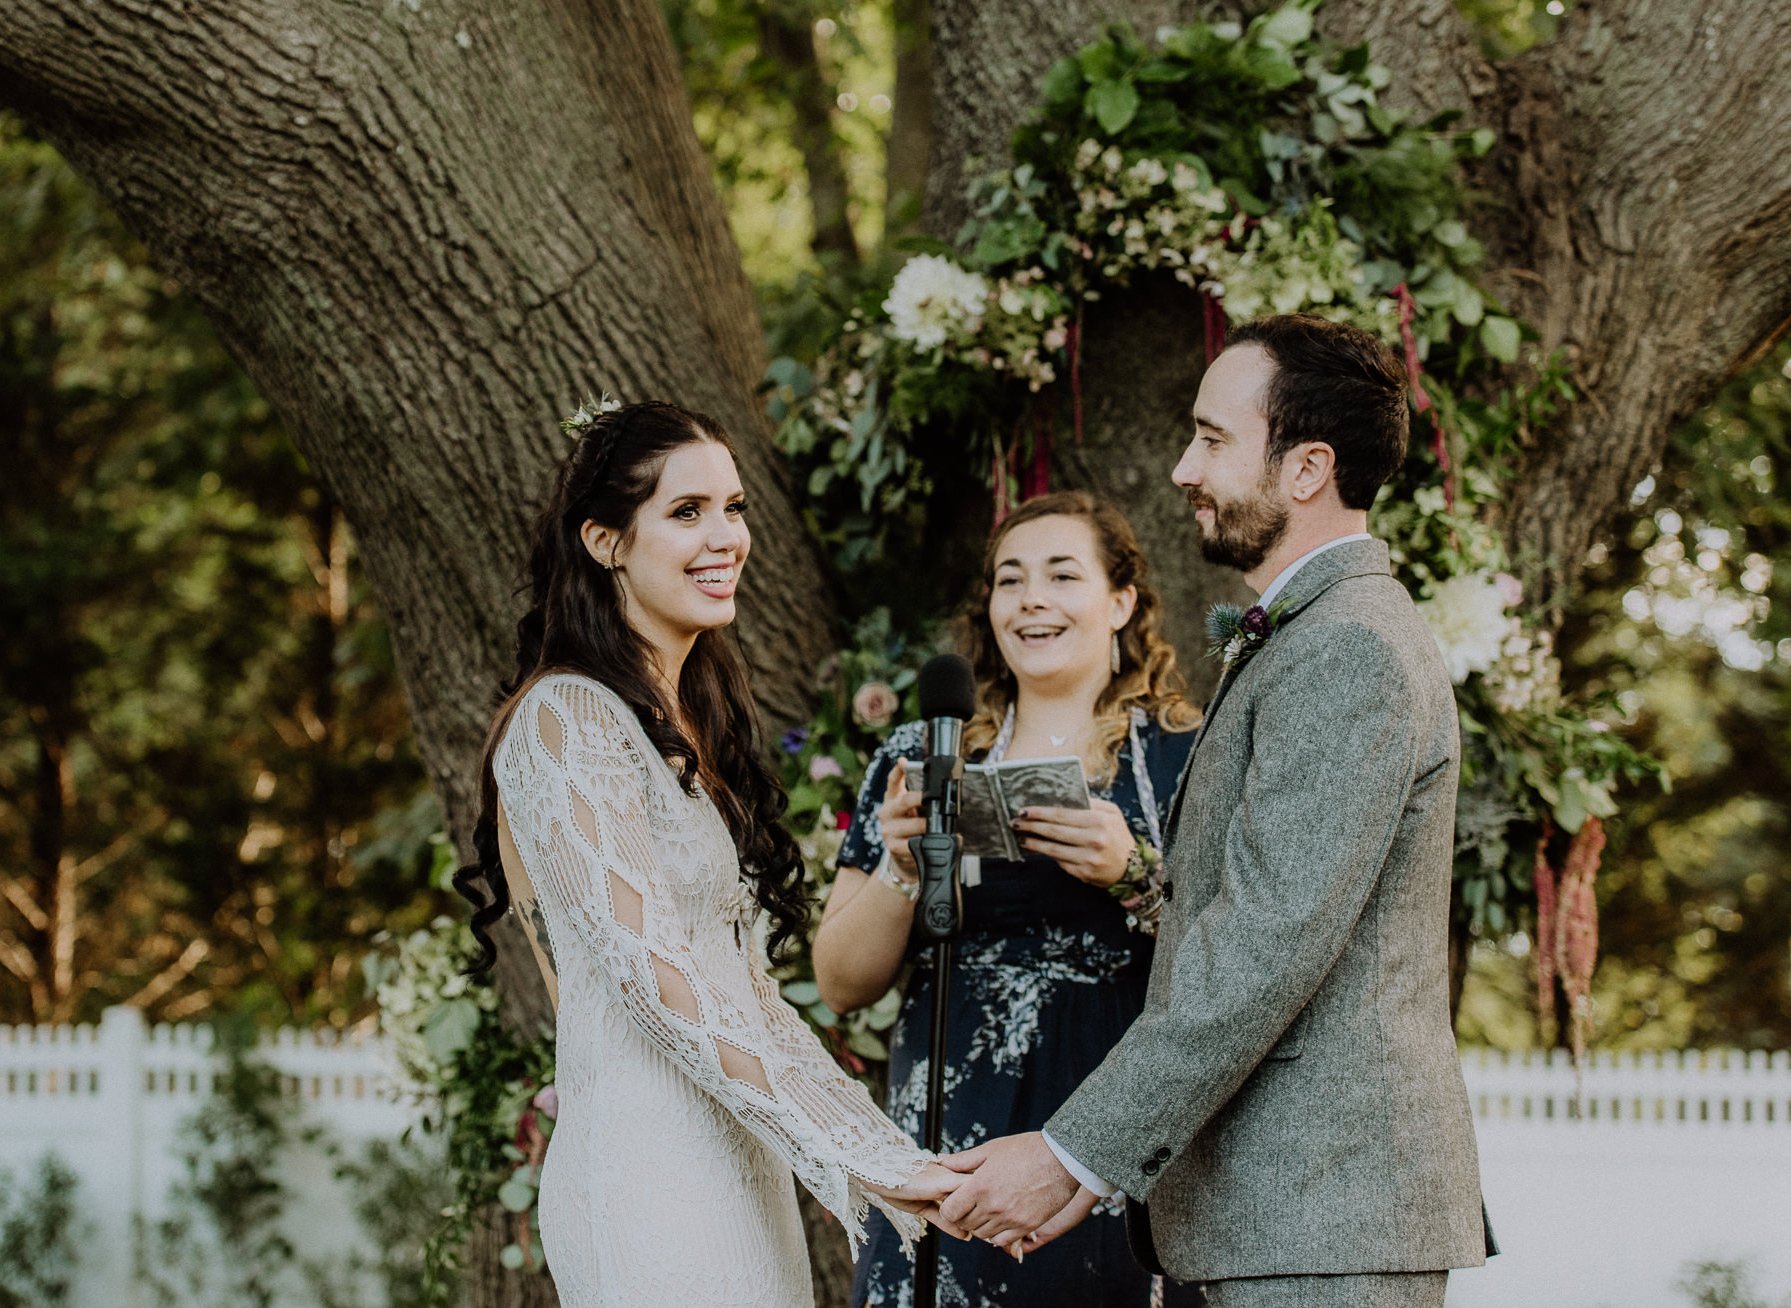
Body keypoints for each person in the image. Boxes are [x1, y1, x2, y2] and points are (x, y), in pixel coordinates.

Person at [933, 315, 1493, 1306]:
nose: (1185, 468)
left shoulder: (1345, 651)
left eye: (1212, 437)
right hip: (1284, 1222)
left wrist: (1074, 1152)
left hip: (1321, 1222)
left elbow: (1265, 946)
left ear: (1305, 467)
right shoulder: (1311, 633)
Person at [453, 401, 964, 1308]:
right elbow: (660, 983)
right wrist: (852, 1151)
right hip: (649, 1178)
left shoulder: (685, 729)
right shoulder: (564, 720)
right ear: (606, 540)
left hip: (737, 1160)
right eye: (686, 512)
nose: (725, 535)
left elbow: (748, 994)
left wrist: (892, 1155)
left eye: (733, 507)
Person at [813, 491, 1206, 1308]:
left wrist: (1135, 874)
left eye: (1063, 575)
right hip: (948, 1137)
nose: (1031, 598)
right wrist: (901, 868)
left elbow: (1240, 969)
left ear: (1120, 602)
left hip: (1107, 1141)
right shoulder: (924, 753)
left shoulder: (1182, 760)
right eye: (1010, 580)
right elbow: (842, 983)